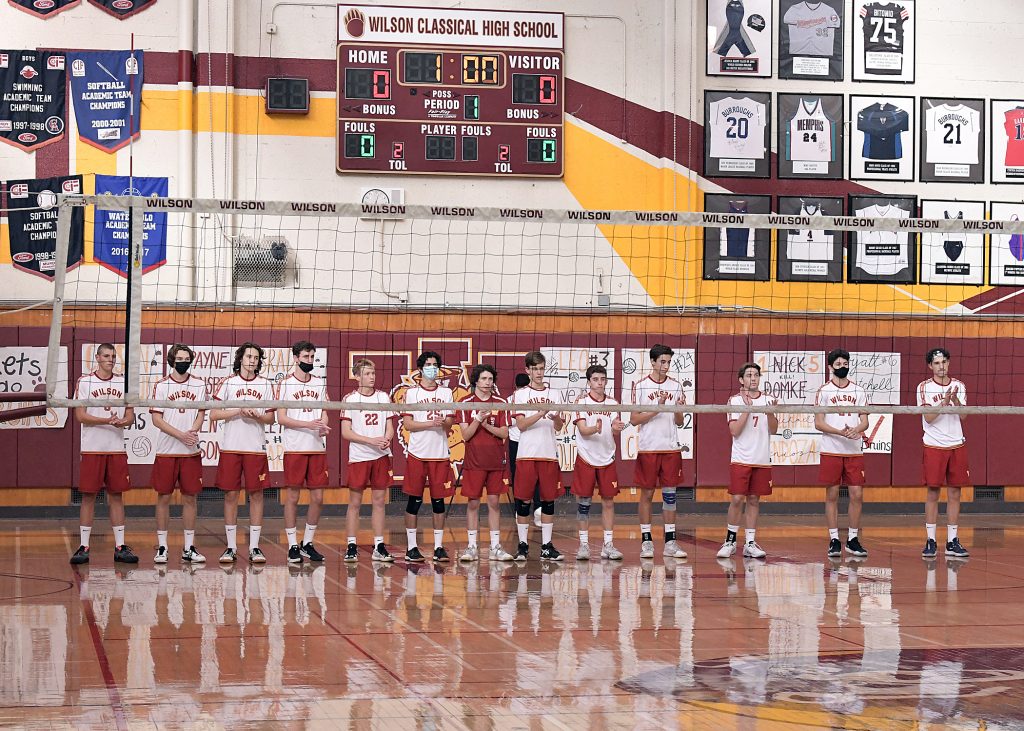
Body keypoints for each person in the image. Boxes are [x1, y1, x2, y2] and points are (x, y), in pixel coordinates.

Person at [70, 343, 137, 565]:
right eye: (106, 356)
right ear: (97, 358)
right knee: (88, 497)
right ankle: (84, 546)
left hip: (116, 448)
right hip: (92, 448)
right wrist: (106, 420)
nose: (110, 359)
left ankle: (120, 546)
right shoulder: (85, 381)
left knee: (116, 496)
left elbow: (130, 417)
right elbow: (80, 416)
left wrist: (121, 422)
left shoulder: (123, 382)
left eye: (113, 356)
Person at [209, 342, 275, 564]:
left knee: (256, 495)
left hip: (255, 448)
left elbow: (270, 418)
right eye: (249, 357)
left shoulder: (265, 384)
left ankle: (255, 547)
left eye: (256, 357)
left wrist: (257, 415)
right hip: (232, 447)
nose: (252, 361)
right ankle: (231, 547)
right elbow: (214, 415)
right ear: (240, 359)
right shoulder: (228, 382)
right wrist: (238, 410)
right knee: (230, 495)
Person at [628, 344, 688, 559]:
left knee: (670, 496)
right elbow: (634, 419)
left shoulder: (676, 386)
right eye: (662, 361)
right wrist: (657, 409)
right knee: (647, 494)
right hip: (649, 449)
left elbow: (679, 421)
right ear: (652, 362)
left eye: (668, 362)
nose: (666, 365)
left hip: (670, 449)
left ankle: (670, 542)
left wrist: (678, 409)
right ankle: (646, 541)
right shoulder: (640, 386)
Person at [150, 344, 207, 565]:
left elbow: (201, 414)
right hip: (167, 451)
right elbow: (157, 420)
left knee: (190, 498)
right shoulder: (161, 385)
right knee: (163, 497)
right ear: (172, 360)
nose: (183, 362)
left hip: (190, 451)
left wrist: (192, 432)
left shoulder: (199, 384)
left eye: (186, 358)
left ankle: (188, 547)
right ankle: (162, 547)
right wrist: (180, 435)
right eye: (179, 358)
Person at [276, 341, 330, 565]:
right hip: (295, 447)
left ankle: (307, 543)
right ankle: (292, 545)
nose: (309, 361)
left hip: (316, 447)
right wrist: (307, 425)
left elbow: (326, 411)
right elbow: (282, 418)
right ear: (296, 358)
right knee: (292, 497)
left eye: (312, 357)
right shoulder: (285, 384)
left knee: (318, 497)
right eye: (306, 357)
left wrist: (322, 425)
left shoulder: (319, 383)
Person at [717, 362, 777, 560]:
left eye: (756, 375)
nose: (753, 378)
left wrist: (770, 413)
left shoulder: (768, 399)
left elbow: (774, 429)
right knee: (736, 499)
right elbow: (734, 431)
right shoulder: (734, 400)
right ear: (741, 380)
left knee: (754, 500)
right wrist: (747, 409)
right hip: (741, 458)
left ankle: (750, 543)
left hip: (761, 459)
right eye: (749, 375)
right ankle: (730, 541)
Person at [400, 351, 455, 563]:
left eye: (435, 365)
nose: (432, 368)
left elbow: (449, 424)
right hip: (418, 453)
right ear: (420, 368)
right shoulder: (412, 393)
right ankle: (411, 547)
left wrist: (443, 422)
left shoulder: (446, 393)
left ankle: (439, 547)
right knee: (414, 501)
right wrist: (429, 423)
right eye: (428, 364)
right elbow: (408, 425)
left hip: (439, 454)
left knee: (438, 502)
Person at [814, 349, 870, 559]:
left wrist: (857, 430)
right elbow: (818, 423)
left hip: (854, 451)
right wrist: (840, 432)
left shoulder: (859, 390)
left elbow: (865, 421)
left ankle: (853, 539)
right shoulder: (824, 391)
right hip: (832, 449)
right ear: (830, 367)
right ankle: (834, 539)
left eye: (845, 363)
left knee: (857, 494)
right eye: (838, 364)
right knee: (832, 495)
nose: (842, 367)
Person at [510, 350, 565, 562]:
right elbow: (521, 425)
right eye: (535, 369)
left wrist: (555, 418)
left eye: (542, 368)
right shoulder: (520, 395)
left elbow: (559, 427)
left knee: (548, 500)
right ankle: (523, 545)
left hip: (548, 453)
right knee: (523, 500)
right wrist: (541, 413)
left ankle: (546, 546)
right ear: (527, 370)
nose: (539, 373)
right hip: (526, 454)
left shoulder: (555, 394)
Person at [340, 358, 396, 562]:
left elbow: (390, 427)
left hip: (380, 456)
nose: (372, 377)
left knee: (379, 501)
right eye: (367, 374)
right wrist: (370, 440)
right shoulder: (350, 399)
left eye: (373, 373)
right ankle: (351, 545)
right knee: (355, 502)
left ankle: (379, 545)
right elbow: (346, 432)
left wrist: (386, 439)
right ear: (357, 376)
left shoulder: (383, 397)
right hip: (360, 457)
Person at [458, 364, 514, 562]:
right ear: (476, 380)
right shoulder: (465, 402)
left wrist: (486, 425)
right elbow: (465, 435)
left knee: (494, 502)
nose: (487, 382)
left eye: (490, 379)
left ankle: (495, 546)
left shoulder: (500, 402)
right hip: (474, 462)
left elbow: (504, 433)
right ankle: (472, 546)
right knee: (473, 503)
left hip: (496, 461)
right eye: (483, 378)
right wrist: (477, 419)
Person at [917, 347, 970, 558]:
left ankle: (952, 541)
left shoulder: (959, 385)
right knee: (933, 492)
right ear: (930, 366)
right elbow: (928, 417)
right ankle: (931, 540)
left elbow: (964, 416)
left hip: (957, 444)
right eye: (937, 363)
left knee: (955, 493)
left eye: (944, 362)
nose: (942, 366)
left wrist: (955, 401)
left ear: (949, 363)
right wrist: (943, 402)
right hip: (934, 445)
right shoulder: (924, 387)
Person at [572, 365, 625, 561]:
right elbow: (583, 430)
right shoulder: (582, 402)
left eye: (602, 379)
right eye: (595, 379)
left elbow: (615, 431)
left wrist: (616, 428)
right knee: (584, 503)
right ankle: (583, 545)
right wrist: (596, 428)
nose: (599, 383)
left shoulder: (613, 403)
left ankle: (608, 545)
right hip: (586, 458)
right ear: (589, 382)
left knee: (608, 502)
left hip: (607, 458)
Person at [507, 372, 531, 488]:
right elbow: (508, 422)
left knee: (519, 472)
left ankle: (520, 499)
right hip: (520, 440)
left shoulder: (509, 400)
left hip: (522, 441)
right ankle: (521, 495)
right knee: (523, 472)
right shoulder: (510, 400)